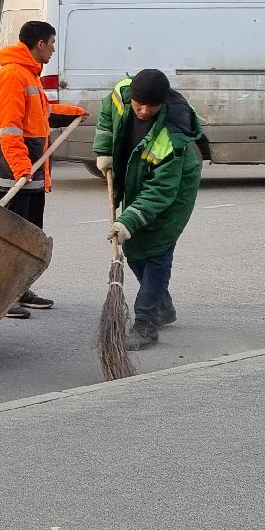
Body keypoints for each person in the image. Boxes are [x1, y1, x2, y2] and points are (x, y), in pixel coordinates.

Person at [93, 68, 207, 350]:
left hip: (174, 190)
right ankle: (162, 306)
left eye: (151, 107)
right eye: (138, 105)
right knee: (136, 252)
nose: (143, 112)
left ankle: (146, 323)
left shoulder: (173, 137)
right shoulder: (121, 94)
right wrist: (104, 150)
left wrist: (128, 221)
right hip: (137, 176)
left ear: (163, 103)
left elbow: (161, 191)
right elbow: (107, 115)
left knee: (156, 251)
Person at [0, 20, 88, 319]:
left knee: (30, 234)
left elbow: (40, 115)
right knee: (12, 237)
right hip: (14, 172)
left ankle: (20, 289)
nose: (54, 49)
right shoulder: (13, 75)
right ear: (40, 43)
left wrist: (71, 113)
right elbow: (9, 128)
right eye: (52, 43)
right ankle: (2, 297)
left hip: (30, 170)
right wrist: (20, 167)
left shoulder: (29, 74)